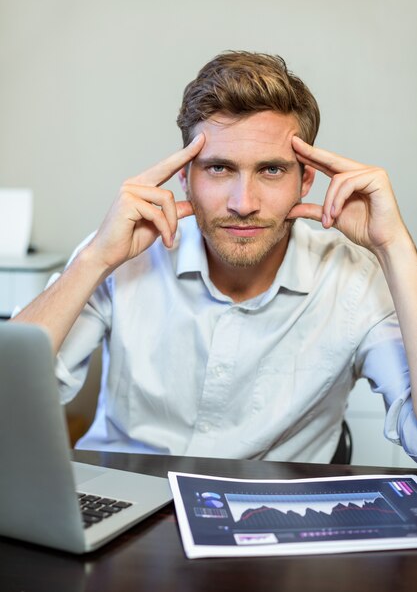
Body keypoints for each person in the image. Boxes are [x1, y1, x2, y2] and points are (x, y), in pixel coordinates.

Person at [12, 51, 417, 463]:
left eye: (272, 170)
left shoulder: (356, 280)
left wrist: (396, 248)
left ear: (306, 180)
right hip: (126, 499)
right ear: (185, 178)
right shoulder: (119, 256)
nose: (244, 203)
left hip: (273, 512)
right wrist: (94, 259)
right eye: (219, 168)